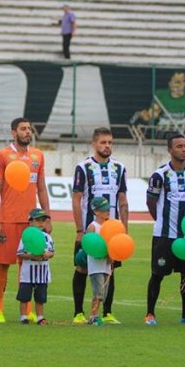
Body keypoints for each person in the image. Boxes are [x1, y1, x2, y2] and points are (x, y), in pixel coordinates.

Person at [0, 117, 51, 323]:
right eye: (23, 129)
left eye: (29, 128)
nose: (27, 132)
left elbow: (41, 187)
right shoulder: (2, 155)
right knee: (3, 265)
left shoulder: (38, 155)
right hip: (7, 219)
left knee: (29, 264)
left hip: (32, 221)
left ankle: (27, 309)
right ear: (13, 132)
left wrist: (46, 217)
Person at [70, 127, 127, 325]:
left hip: (112, 233)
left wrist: (124, 232)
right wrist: (79, 230)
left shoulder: (119, 168)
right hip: (89, 231)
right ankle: (78, 312)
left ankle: (107, 312)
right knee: (81, 269)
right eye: (103, 142)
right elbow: (77, 199)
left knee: (110, 270)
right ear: (94, 144)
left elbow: (123, 200)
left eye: (110, 142)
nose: (107, 146)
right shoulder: (83, 167)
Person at [145, 134, 185, 325]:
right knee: (157, 274)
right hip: (163, 236)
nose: (184, 149)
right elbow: (151, 203)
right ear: (169, 150)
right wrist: (162, 221)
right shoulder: (159, 176)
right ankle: (150, 313)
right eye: (179, 146)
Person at [15, 208, 53, 325]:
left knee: (40, 297)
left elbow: (52, 252)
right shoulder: (26, 237)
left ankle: (40, 316)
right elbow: (20, 253)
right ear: (30, 222)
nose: (41, 223)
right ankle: (23, 316)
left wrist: (47, 254)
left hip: (42, 273)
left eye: (43, 220)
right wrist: (31, 255)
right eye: (38, 220)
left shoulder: (47, 237)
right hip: (28, 273)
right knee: (24, 296)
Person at [84, 198, 112, 326]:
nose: (107, 211)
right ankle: (93, 316)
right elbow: (88, 245)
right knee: (98, 292)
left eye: (107, 209)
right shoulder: (92, 227)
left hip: (106, 265)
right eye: (104, 210)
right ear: (96, 211)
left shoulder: (109, 226)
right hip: (96, 266)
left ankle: (96, 314)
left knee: (104, 293)